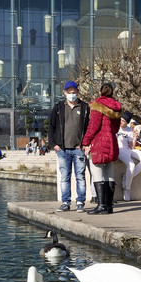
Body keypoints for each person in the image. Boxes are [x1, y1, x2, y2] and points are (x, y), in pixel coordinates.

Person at [48, 80, 90, 212]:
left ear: (78, 92)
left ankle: (80, 202)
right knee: (65, 177)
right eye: (69, 92)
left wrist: (86, 143)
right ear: (64, 92)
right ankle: (65, 202)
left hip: (79, 149)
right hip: (62, 149)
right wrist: (53, 144)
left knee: (80, 177)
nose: (71, 94)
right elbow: (51, 126)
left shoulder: (84, 107)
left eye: (74, 92)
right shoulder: (59, 107)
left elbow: (89, 127)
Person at [82, 83, 122, 214]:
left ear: (100, 92)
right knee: (109, 171)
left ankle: (101, 205)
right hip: (111, 141)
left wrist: (86, 141)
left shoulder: (97, 105)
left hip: (99, 141)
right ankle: (109, 206)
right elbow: (116, 128)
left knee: (97, 171)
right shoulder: (116, 106)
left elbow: (93, 126)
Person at [116, 114, 141, 201]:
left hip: (128, 149)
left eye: (124, 121)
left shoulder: (129, 130)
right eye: (120, 119)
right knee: (131, 165)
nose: (121, 122)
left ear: (127, 123)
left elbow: (131, 146)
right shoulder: (115, 127)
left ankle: (127, 177)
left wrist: (135, 136)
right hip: (119, 150)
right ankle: (127, 189)